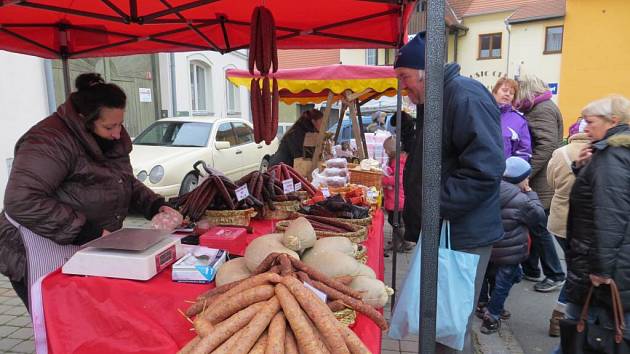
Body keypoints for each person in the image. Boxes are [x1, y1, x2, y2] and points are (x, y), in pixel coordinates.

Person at [0, 73, 181, 310]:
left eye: (120, 124)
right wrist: (88, 231)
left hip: (86, 242)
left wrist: (154, 205)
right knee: (58, 321)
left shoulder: (111, 139)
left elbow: (120, 181)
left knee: (87, 315)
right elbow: (22, 200)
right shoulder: (47, 141)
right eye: (109, 126)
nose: (117, 133)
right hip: (37, 244)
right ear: (85, 119)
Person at [395, 33, 505, 353]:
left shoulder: (463, 96)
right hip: (446, 228)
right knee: (438, 322)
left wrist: (434, 205)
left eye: (404, 77)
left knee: (449, 325)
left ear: (424, 71)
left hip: (462, 233)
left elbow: (484, 170)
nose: (403, 87)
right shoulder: (437, 98)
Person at [556, 95, 630, 353]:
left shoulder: (611, 157)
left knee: (585, 335)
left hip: (602, 268)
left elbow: (609, 216)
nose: (584, 128)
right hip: (613, 263)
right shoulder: (614, 152)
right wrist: (581, 169)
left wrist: (601, 271)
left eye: (589, 122)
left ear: (613, 121)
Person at [477, 157, 546, 334]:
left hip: (489, 246)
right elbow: (538, 218)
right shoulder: (522, 200)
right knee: (503, 283)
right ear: (520, 179)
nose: (528, 181)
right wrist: (531, 194)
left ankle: (483, 304)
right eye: (527, 178)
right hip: (511, 252)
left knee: (487, 276)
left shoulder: (489, 190)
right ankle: (492, 316)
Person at [516, 74, 566, 292]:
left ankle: (555, 273)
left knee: (539, 227)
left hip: (541, 180)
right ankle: (531, 269)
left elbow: (545, 146)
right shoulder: (543, 106)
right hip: (542, 179)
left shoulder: (542, 108)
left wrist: (525, 172)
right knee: (535, 224)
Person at [545, 119, 590, 337]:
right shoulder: (598, 151)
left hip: (560, 218)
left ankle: (561, 317)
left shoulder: (560, 152)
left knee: (574, 269)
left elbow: (551, 182)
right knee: (577, 272)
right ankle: (561, 316)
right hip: (583, 222)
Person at [381, 136, 413, 253]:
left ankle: (406, 241)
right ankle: (397, 242)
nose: (385, 152)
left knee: (395, 221)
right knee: (395, 220)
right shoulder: (397, 160)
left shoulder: (398, 161)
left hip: (396, 198)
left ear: (391, 150)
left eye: (386, 150)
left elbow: (398, 179)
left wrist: (384, 180)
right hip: (395, 196)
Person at [491, 77, 532, 160]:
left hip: (504, 171)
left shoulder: (519, 121)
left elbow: (524, 151)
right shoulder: (480, 112)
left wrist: (512, 170)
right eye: (504, 90)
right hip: (477, 170)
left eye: (511, 93)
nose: (507, 94)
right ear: (494, 92)